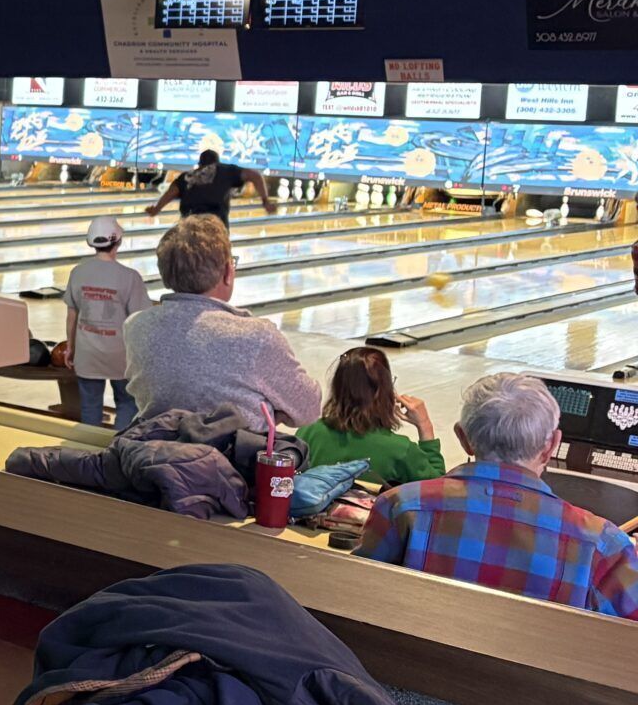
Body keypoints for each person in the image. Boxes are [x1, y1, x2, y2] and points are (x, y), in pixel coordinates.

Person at [358, 372, 638, 618]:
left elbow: (358, 597)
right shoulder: (605, 545)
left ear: (463, 437)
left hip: (408, 674)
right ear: (551, 445)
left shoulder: (399, 507)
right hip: (534, 680)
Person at [122, 216, 321, 432]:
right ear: (227, 272)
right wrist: (271, 411)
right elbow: (309, 409)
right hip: (232, 464)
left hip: (153, 458)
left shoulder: (135, 327)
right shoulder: (257, 337)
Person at [297, 347, 447, 487]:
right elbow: (437, 489)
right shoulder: (401, 450)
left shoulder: (308, 432)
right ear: (386, 392)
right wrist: (425, 426)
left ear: (337, 387)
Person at [64, 217, 153, 429]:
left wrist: (70, 348)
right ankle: (116, 450)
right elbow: (140, 320)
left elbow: (71, 315)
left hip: (87, 354)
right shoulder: (130, 277)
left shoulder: (78, 272)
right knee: (127, 403)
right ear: (118, 242)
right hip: (120, 355)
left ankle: (90, 452)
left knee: (89, 406)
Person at [147, 148, 275, 224]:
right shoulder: (226, 170)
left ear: (199, 163)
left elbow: (171, 192)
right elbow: (255, 175)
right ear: (217, 162)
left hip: (189, 228)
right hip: (216, 230)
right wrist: (265, 201)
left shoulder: (186, 176)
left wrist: (156, 209)